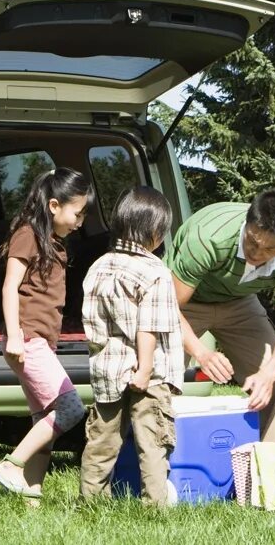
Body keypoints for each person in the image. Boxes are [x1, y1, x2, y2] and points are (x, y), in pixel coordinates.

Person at [165, 188, 275, 443]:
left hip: (240, 303)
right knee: (159, 376)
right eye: (252, 242)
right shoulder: (208, 236)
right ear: (247, 223)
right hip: (184, 303)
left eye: (270, 250)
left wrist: (268, 374)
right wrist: (202, 353)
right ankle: (151, 461)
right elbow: (167, 305)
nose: (257, 253)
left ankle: (270, 469)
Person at [0, 167, 93, 499]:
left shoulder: (55, 242)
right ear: (53, 205)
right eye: (77, 212)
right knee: (70, 409)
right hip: (28, 338)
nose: (80, 220)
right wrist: (16, 335)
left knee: (45, 421)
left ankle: (31, 496)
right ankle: (11, 465)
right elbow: (10, 287)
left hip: (40, 342)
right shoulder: (28, 235)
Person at [79, 187, 184, 505]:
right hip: (146, 373)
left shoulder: (99, 266)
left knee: (101, 440)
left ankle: (91, 501)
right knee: (153, 441)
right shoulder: (155, 272)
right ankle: (155, 505)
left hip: (108, 369)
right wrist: (146, 367)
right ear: (155, 233)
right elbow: (150, 326)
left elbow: (93, 323)